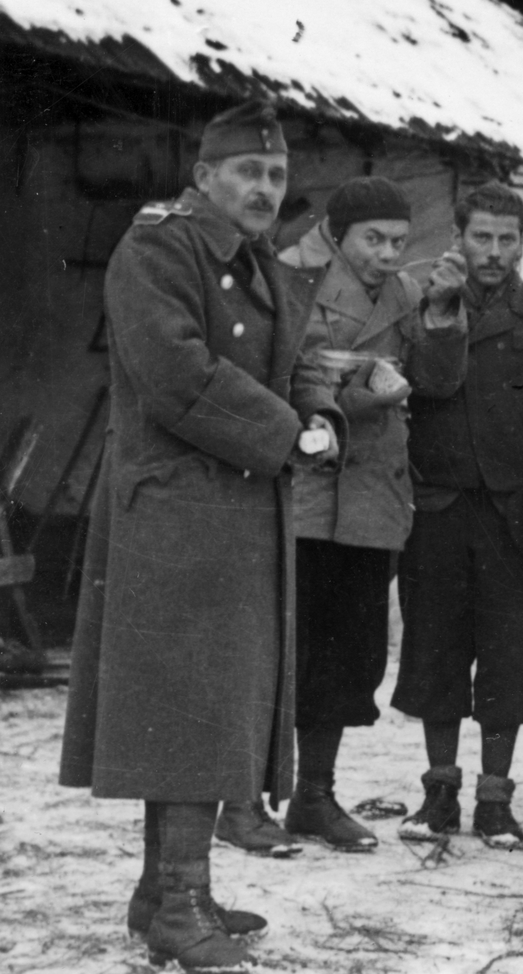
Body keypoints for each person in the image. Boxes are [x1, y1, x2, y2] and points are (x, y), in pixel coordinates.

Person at [58, 101, 339, 973]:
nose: (264, 188)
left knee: (219, 705)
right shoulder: (159, 247)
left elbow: (294, 363)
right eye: (248, 173)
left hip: (237, 514)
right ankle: (177, 901)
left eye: (277, 176)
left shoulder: (258, 263)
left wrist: (322, 410)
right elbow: (177, 372)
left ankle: (170, 890)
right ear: (205, 176)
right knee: (190, 707)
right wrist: (289, 431)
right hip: (175, 516)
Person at [210, 177, 470, 857]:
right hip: (302, 492)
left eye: (398, 242)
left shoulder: (411, 295)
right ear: (336, 232)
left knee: (347, 659)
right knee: (278, 654)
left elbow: (440, 382)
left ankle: (313, 798)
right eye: (373, 240)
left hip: (372, 499)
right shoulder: (288, 280)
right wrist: (349, 398)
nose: (387, 255)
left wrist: (443, 316)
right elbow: (262, 383)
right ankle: (241, 802)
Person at [390, 181, 523, 852]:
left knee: (508, 659)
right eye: (481, 238)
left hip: (514, 512)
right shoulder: (420, 302)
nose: (494, 253)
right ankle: (439, 791)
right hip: (437, 504)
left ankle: (495, 801)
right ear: (459, 238)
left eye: (507, 240)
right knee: (436, 648)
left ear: (522, 244)